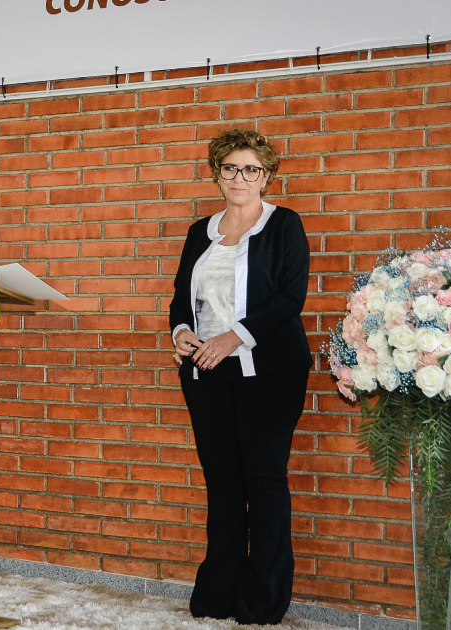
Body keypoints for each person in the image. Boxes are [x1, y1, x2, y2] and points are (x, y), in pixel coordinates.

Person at [168, 127, 311, 625]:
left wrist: (234, 337)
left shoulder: (284, 225)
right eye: (230, 168)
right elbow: (181, 300)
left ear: (266, 177)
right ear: (217, 173)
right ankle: (217, 594)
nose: (240, 177)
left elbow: (290, 299)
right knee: (223, 482)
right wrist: (183, 332)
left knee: (264, 479)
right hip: (205, 371)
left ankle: (263, 602)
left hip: (269, 371)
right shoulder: (198, 232)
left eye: (251, 169)